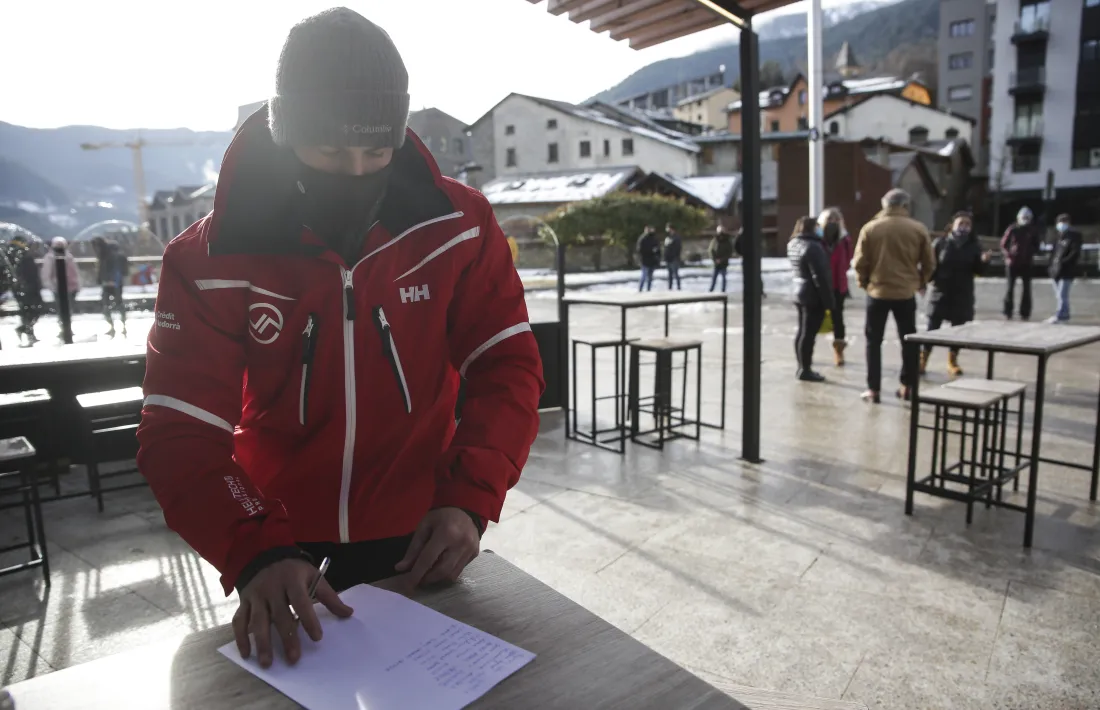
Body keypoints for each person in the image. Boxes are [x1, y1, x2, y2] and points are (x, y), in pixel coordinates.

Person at [136, 7, 544, 671]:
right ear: (284, 131)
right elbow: (180, 430)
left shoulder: (458, 228)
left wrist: (471, 496)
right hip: (281, 541)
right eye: (328, 150)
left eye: (377, 151)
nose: (356, 172)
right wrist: (254, 547)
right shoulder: (210, 259)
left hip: (424, 533)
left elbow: (506, 365)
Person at [852, 188, 935, 403]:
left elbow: (859, 262)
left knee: (873, 342)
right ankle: (907, 385)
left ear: (884, 205)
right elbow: (929, 262)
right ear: (905, 205)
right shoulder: (917, 229)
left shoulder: (870, 228)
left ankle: (873, 389)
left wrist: (864, 283)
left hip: (877, 291)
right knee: (908, 340)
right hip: (905, 293)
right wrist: (921, 281)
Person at [921, 212, 991, 377]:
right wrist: (924, 282)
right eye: (961, 223)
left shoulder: (974, 246)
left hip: (962, 294)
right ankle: (923, 359)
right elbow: (930, 266)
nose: (964, 227)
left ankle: (952, 360)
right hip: (940, 293)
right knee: (932, 328)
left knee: (958, 330)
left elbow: (978, 271)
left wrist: (984, 262)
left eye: (967, 224)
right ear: (952, 225)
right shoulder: (941, 243)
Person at [787, 216, 835, 383]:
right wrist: (829, 302)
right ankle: (805, 369)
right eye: (818, 227)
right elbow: (820, 277)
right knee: (808, 334)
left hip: (799, 292)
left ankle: (801, 365)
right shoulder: (813, 247)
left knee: (802, 331)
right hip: (812, 296)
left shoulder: (793, 243)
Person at [817, 207, 854, 366]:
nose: (832, 223)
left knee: (838, 319)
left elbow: (849, 259)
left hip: (838, 285)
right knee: (814, 318)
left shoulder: (844, 239)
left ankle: (838, 351)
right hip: (820, 284)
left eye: (835, 220)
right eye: (829, 220)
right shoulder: (817, 239)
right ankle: (807, 354)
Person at [1000, 206, 1041, 321]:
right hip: (1012, 262)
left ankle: (1025, 312)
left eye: (1027, 217)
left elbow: (1036, 245)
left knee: (1027, 289)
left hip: (1026, 262)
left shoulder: (1032, 230)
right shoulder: (1012, 229)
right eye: (1023, 217)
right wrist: (1008, 255)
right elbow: (1003, 244)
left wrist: (1030, 252)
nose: (1025, 219)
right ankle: (1008, 311)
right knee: (1010, 288)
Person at [4, 236, 44, 345]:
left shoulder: (15, 253)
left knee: (28, 310)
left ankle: (27, 331)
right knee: (32, 310)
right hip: (27, 286)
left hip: (23, 287)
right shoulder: (19, 253)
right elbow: (23, 271)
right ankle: (26, 331)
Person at [1047, 213, 1082, 324]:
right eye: (1060, 222)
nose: (1062, 224)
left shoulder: (1074, 236)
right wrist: (1051, 267)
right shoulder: (1057, 237)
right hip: (1056, 270)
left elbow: (1074, 252)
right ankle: (1064, 314)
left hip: (1067, 270)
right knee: (1059, 295)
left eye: (1064, 222)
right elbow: (1053, 253)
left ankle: (1061, 315)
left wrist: (1064, 262)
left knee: (1063, 294)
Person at [91, 235, 129, 337]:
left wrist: (108, 280)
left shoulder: (107, 256)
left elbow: (109, 270)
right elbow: (124, 271)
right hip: (115, 283)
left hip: (110, 283)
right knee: (118, 303)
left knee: (108, 305)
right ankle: (122, 326)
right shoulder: (116, 255)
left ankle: (114, 326)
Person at [41, 236, 81, 309]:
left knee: (69, 306)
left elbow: (75, 271)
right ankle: (62, 318)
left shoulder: (69, 256)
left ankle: (66, 318)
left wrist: (78, 284)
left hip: (72, 286)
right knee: (61, 306)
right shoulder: (50, 258)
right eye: (58, 245)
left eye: (61, 245)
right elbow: (46, 273)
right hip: (57, 286)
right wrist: (50, 285)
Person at [708, 225, 735, 292]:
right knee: (714, 278)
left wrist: (722, 259)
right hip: (716, 263)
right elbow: (711, 250)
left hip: (723, 263)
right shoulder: (715, 240)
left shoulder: (727, 241)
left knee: (723, 278)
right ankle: (711, 290)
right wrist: (715, 259)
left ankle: (723, 290)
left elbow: (729, 252)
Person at [636, 224, 660, 291]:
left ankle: (648, 290)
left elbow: (657, 248)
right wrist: (651, 250)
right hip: (645, 260)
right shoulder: (642, 239)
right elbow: (640, 250)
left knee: (650, 277)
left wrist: (657, 256)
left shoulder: (654, 238)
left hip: (652, 260)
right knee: (644, 276)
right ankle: (640, 289)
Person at [663, 223, 682, 290]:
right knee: (669, 275)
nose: (667, 230)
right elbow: (666, 248)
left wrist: (674, 256)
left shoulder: (676, 237)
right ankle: (670, 288)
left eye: (668, 228)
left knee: (675, 274)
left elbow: (677, 248)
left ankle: (678, 287)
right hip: (668, 259)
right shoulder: (667, 237)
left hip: (674, 259)